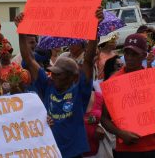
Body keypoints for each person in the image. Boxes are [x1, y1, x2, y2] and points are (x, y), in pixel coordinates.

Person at [18, 15, 96, 158]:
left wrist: (94, 30)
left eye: (58, 74)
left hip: (73, 153)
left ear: (73, 77)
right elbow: (29, 60)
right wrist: (21, 31)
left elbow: (88, 61)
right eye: (53, 73)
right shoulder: (48, 85)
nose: (53, 77)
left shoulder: (80, 91)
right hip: (50, 151)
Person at [101, 33, 155, 158]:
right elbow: (104, 118)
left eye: (134, 54)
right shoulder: (113, 82)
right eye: (127, 53)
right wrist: (121, 133)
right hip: (127, 149)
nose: (129, 57)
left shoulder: (151, 79)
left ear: (144, 55)